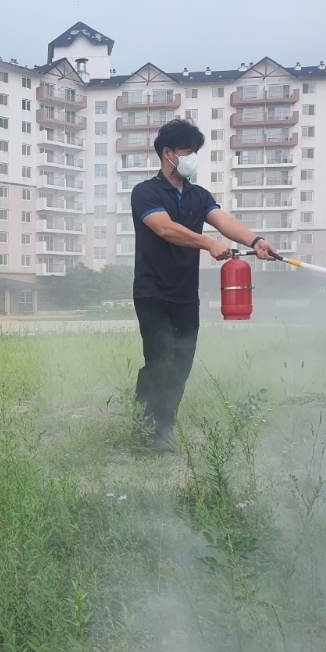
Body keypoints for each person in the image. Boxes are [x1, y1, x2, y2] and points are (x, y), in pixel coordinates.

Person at [131, 119, 278, 453]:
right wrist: (208, 244)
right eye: (187, 151)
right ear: (167, 153)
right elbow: (165, 228)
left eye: (195, 152)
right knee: (159, 360)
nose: (192, 158)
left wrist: (256, 241)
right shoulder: (146, 192)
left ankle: (164, 428)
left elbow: (224, 221)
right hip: (152, 292)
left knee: (181, 363)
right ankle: (144, 428)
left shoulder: (198, 195)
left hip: (186, 294)